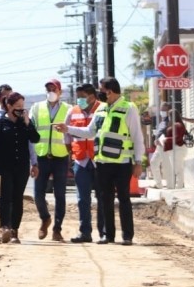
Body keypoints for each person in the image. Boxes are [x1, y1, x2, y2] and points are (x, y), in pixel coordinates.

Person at [55, 77, 145, 245]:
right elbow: (89, 132)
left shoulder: (128, 108)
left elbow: (137, 137)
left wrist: (138, 162)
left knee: (124, 198)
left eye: (101, 90)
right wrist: (68, 129)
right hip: (102, 162)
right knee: (105, 199)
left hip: (122, 162)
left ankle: (127, 235)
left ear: (110, 91)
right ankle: (108, 235)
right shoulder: (101, 109)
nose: (99, 93)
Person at [0, 92, 40, 244]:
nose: (21, 109)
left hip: (21, 166)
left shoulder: (26, 123)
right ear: (9, 106)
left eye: (22, 106)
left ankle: (15, 230)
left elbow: (35, 139)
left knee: (17, 198)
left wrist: (28, 123)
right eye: (17, 106)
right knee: (5, 197)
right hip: (3, 166)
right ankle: (5, 228)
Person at [30, 78, 71, 242]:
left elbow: (73, 131)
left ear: (60, 92)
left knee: (60, 195)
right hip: (41, 156)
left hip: (60, 156)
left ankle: (57, 229)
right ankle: (45, 218)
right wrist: (31, 159)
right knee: (38, 194)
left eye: (54, 89)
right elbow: (30, 130)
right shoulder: (36, 107)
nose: (51, 92)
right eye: (48, 90)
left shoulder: (68, 109)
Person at [67, 84, 107, 243]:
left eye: (82, 97)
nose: (80, 100)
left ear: (92, 96)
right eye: (78, 97)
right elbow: (67, 134)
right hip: (81, 160)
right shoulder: (73, 111)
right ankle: (85, 232)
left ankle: (104, 232)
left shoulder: (103, 109)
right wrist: (71, 153)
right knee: (82, 199)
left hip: (99, 160)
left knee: (102, 198)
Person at [161, 109, 187, 189]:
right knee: (176, 168)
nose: (168, 117)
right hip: (176, 149)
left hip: (177, 148)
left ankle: (179, 186)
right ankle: (178, 185)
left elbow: (177, 138)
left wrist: (166, 139)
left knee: (178, 169)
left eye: (169, 116)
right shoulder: (177, 124)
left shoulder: (177, 125)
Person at [148, 102, 171, 188]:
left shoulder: (170, 120)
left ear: (169, 110)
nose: (162, 111)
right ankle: (159, 184)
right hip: (159, 146)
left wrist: (160, 138)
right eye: (161, 109)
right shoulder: (162, 121)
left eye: (164, 110)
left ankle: (171, 183)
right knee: (153, 162)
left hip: (165, 145)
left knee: (167, 165)